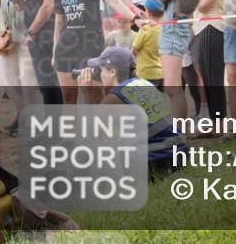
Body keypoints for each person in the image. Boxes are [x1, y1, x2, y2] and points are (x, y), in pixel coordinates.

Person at [75, 45, 187, 179]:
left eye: (101, 70)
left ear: (112, 72)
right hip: (180, 154)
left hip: (156, 162)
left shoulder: (116, 97)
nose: (99, 74)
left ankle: (79, 181)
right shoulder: (144, 84)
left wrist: (85, 93)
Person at [52, 0, 136, 104]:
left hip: (90, 44)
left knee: (94, 94)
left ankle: (97, 128)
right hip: (66, 47)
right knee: (68, 96)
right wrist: (55, 51)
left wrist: (135, 17)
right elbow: (59, 22)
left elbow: (114, 1)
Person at [146, 0, 204, 119]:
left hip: (175, 28)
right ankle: (178, 129)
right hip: (173, 25)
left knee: (172, 87)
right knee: (172, 86)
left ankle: (178, 131)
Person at [0, 0, 40, 130]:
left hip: (29, 38)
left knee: (28, 80)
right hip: (11, 37)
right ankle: (23, 112)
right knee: (6, 76)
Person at [193, 0, 227, 122]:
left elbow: (205, 5)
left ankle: (219, 121)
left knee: (213, 78)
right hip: (201, 27)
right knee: (206, 77)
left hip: (212, 27)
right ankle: (215, 121)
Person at [133, 0, 166, 88]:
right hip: (161, 73)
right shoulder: (165, 29)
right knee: (159, 99)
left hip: (145, 73)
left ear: (147, 12)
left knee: (145, 101)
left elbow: (135, 49)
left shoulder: (145, 29)